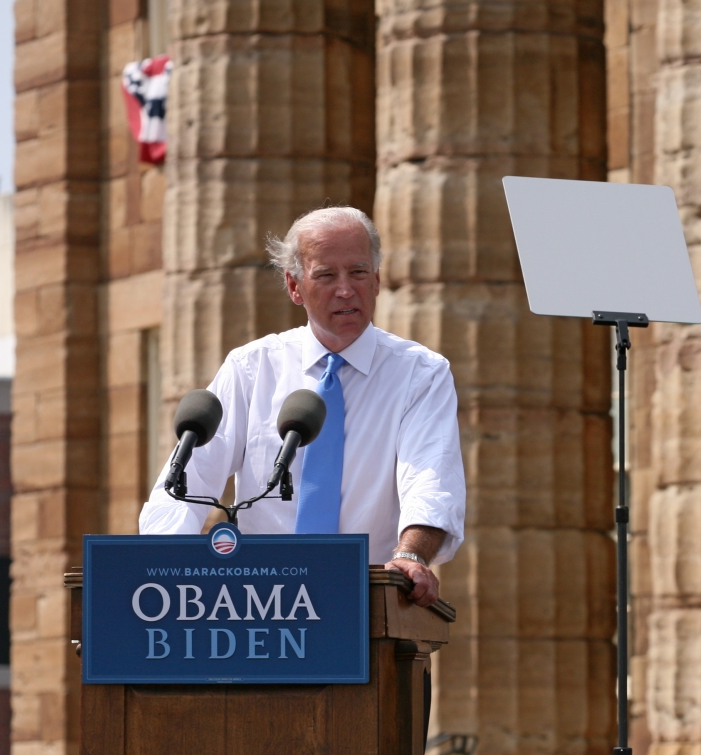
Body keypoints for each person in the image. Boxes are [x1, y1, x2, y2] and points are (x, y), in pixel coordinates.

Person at [139, 206, 465, 608]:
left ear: (377, 280)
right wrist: (158, 569)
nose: (346, 289)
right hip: (256, 608)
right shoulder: (251, 367)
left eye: (359, 272)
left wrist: (410, 555)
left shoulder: (420, 373)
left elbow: (431, 477)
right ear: (295, 287)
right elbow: (185, 486)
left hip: (369, 604)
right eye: (326, 276)